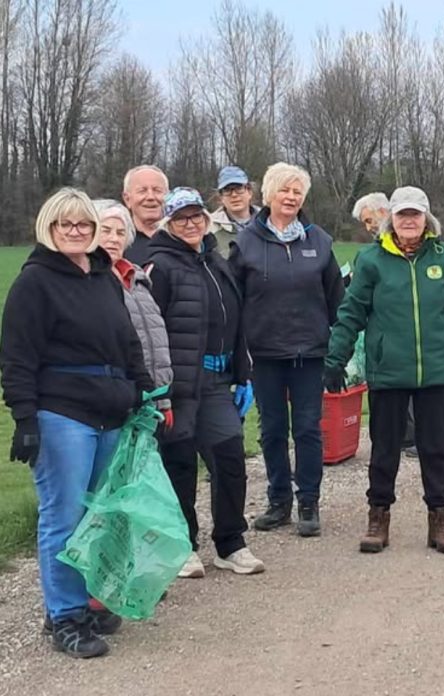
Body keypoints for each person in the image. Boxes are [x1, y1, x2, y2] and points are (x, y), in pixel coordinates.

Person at [0, 188, 154, 658]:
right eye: (65, 224)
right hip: (62, 411)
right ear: (49, 227)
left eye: (83, 224)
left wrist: (143, 388)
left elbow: (126, 340)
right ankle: (64, 615)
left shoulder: (104, 278)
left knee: (98, 515)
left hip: (111, 409)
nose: (76, 231)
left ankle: (87, 602)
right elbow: (17, 357)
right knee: (63, 516)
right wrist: (25, 417)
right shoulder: (35, 284)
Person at [325, 186, 444, 555]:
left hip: (435, 372)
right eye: (402, 215)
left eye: (416, 214)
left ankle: (440, 518)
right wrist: (336, 358)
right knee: (384, 449)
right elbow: (351, 313)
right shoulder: (371, 260)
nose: (409, 221)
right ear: (391, 219)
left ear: (427, 219)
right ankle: (378, 517)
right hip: (388, 371)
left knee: (436, 449)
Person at [147, 187, 263, 577]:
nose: (191, 223)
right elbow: (152, 329)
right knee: (179, 464)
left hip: (218, 379)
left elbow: (238, 321)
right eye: (182, 217)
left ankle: (230, 543)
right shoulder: (160, 266)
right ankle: (183, 544)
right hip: (178, 384)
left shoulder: (217, 261)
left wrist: (242, 373)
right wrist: (158, 387)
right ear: (169, 222)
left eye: (196, 215)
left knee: (230, 458)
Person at [229, 163, 343, 537]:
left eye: (297, 192)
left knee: (308, 429)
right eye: (285, 190)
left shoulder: (319, 242)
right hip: (264, 354)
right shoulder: (245, 242)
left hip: (310, 352)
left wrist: (337, 351)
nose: (291, 197)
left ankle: (309, 501)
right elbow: (233, 301)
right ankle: (279, 500)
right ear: (269, 195)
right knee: (273, 429)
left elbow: (336, 302)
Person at [93, 200, 174, 423]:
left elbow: (156, 343)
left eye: (120, 233)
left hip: (150, 399)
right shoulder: (87, 282)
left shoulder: (139, 279)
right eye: (106, 231)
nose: (113, 238)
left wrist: (163, 399)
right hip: (114, 397)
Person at [353, 191, 418, 458]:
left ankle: (412, 437)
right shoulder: (371, 254)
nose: (368, 227)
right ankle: (399, 437)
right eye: (364, 223)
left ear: (383, 213)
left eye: (369, 220)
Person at [121, 165, 169, 265]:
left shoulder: (183, 239)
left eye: (157, 190)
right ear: (127, 199)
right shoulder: (118, 241)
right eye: (142, 191)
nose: (150, 197)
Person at [211, 165, 260, 259]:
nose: (234, 195)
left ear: (249, 192)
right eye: (227, 190)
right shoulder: (210, 228)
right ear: (221, 197)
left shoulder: (269, 221)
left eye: (239, 188)